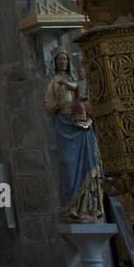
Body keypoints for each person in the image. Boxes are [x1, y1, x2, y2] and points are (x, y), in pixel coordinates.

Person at [44, 48, 103, 221]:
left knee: (89, 162)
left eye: (65, 59)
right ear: (54, 63)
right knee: (69, 165)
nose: (63, 62)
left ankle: (90, 207)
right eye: (59, 60)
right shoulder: (53, 83)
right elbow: (48, 107)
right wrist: (57, 103)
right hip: (65, 125)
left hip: (83, 124)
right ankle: (71, 207)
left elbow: (86, 97)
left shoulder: (77, 80)